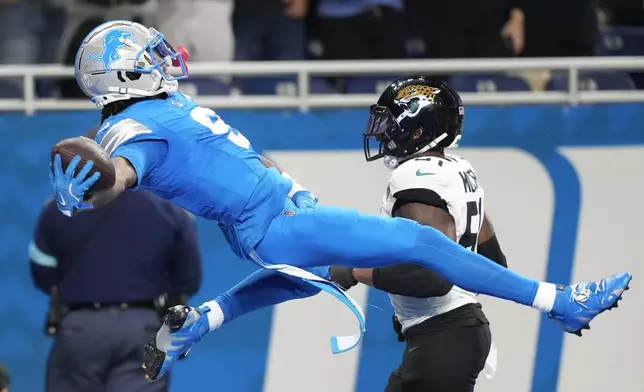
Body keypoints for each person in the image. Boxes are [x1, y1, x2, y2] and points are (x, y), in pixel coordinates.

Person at [51, 20, 631, 382]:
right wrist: (98, 180)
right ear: (122, 77)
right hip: (269, 220)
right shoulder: (127, 132)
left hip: (278, 209)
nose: (162, 57)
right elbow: (121, 170)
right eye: (147, 56)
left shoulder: (154, 108)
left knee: (312, 278)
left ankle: (199, 323)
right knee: (421, 241)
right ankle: (561, 301)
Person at [328, 79, 509, 391]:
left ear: (417, 132)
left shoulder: (415, 176)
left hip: (445, 337)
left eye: (390, 125)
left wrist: (356, 272)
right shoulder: (458, 169)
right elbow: (494, 261)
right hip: (455, 333)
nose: (383, 134)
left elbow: (432, 278)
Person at [29, 191, 202, 391]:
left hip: (79, 329)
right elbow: (188, 277)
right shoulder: (171, 208)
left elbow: (42, 272)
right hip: (144, 328)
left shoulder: (60, 207)